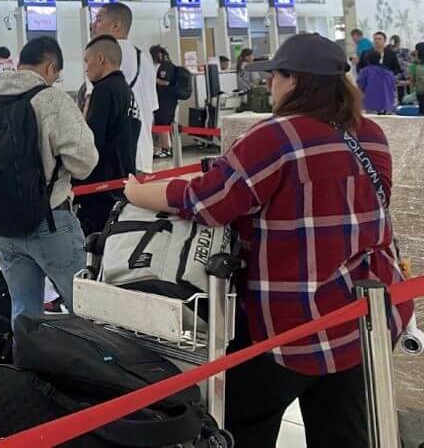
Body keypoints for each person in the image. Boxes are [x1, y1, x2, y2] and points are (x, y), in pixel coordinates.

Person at [124, 33, 412, 448]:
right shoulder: (368, 134)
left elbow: (208, 201)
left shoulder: (276, 136)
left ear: (293, 79)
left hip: (285, 326)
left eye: (274, 75)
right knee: (344, 434)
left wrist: (137, 192)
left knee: (243, 426)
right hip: (358, 322)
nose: (268, 85)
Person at [0, 37, 97, 321]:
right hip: (50, 221)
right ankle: (91, 363)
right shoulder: (53, 99)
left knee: (23, 314)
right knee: (87, 311)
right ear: (50, 67)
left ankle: (28, 363)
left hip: (5, 227)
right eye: (56, 74)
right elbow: (85, 162)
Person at [76, 35, 140, 238]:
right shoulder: (126, 91)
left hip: (100, 189)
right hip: (122, 181)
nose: (86, 68)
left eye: (87, 61)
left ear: (100, 59)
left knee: (95, 245)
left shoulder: (104, 91)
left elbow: (92, 144)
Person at [89, 2, 157, 172]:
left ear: (116, 25)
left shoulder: (102, 57)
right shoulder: (146, 60)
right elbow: (152, 108)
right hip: (143, 156)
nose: (93, 25)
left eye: (98, 19)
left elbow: (91, 104)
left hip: (115, 162)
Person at [151, 45, 177, 161]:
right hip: (168, 100)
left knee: (163, 124)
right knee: (164, 123)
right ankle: (166, 147)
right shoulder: (168, 65)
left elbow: (165, 82)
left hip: (165, 101)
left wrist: (152, 78)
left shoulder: (165, 66)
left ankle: (166, 148)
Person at [356, 50, 397, 114]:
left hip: (370, 104)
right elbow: (394, 88)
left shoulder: (365, 71)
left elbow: (360, 87)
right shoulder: (389, 73)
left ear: (367, 60)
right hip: (387, 105)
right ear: (379, 59)